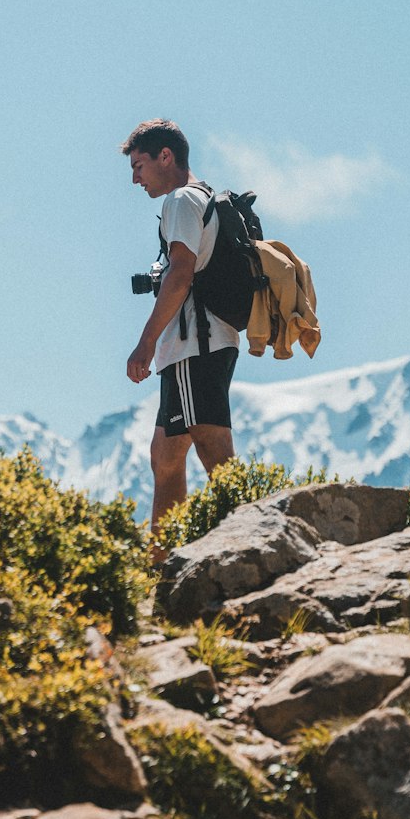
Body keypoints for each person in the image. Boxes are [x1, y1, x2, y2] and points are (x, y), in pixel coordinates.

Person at [121, 118, 238, 544]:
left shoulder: (181, 201)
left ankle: (253, 546)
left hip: (195, 345)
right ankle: (164, 566)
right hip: (197, 345)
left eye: (139, 166)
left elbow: (181, 272)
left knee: (214, 452)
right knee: (166, 457)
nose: (135, 178)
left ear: (165, 157)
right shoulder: (203, 198)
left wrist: (145, 342)